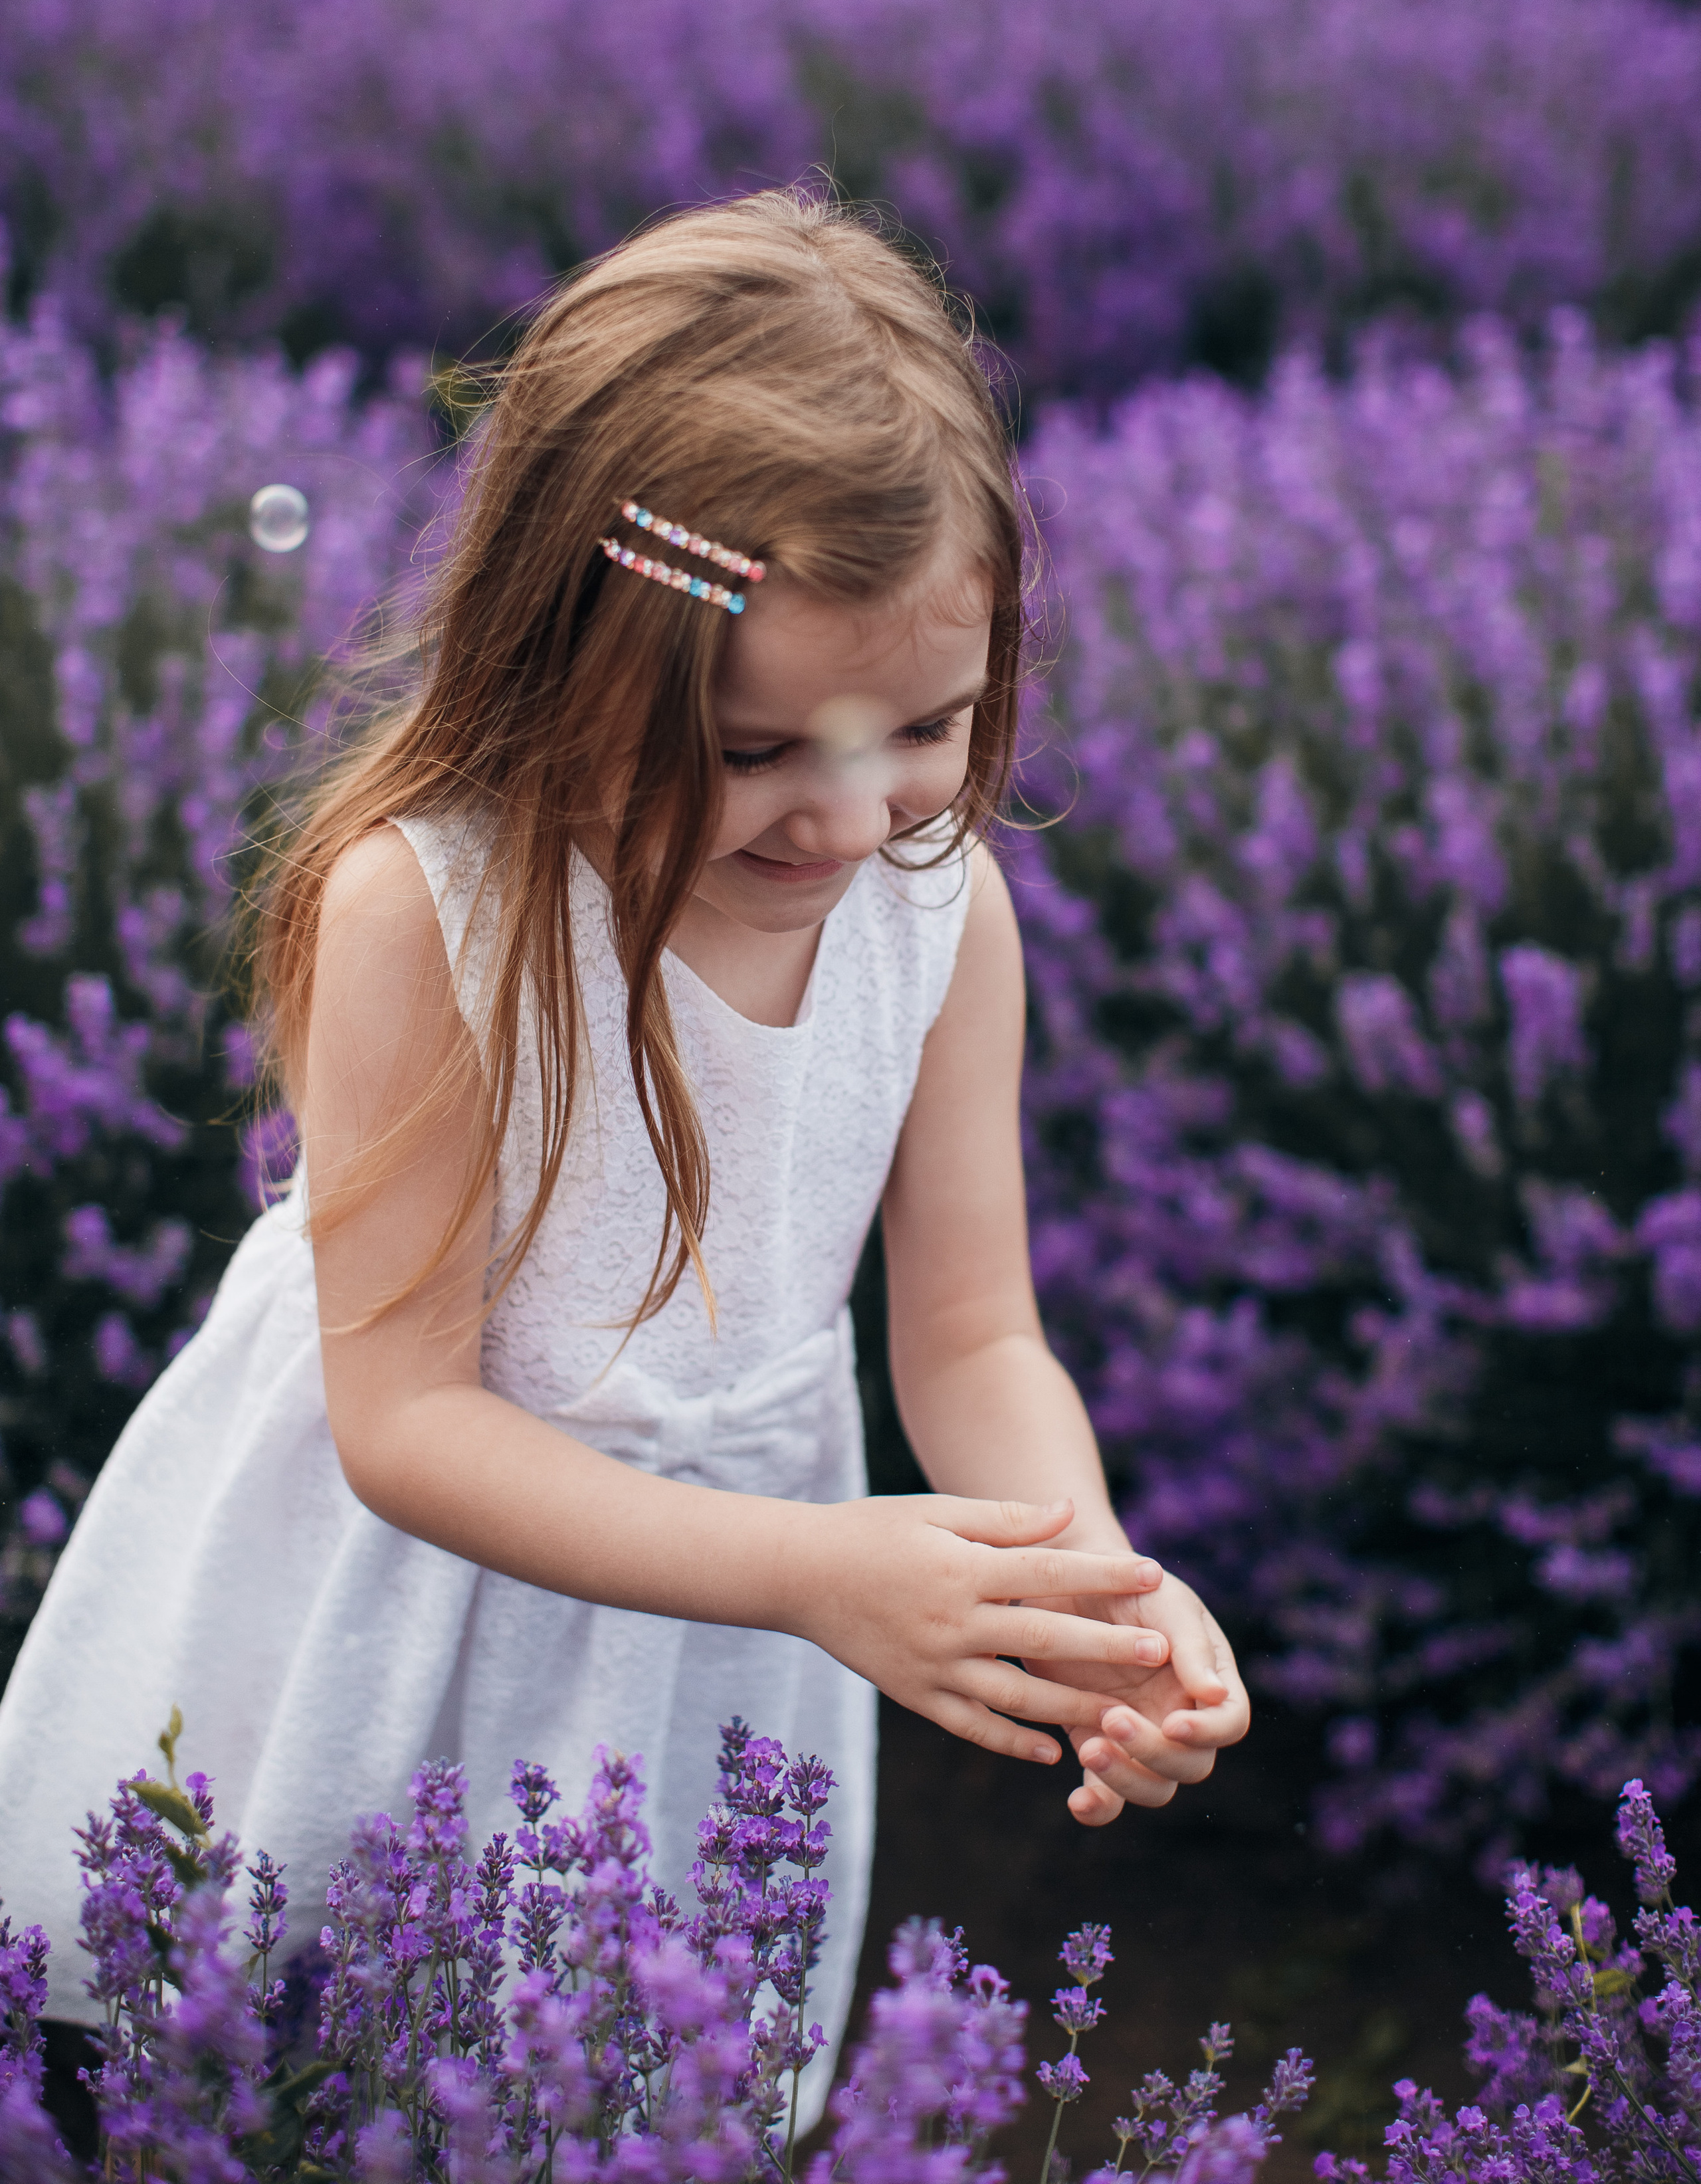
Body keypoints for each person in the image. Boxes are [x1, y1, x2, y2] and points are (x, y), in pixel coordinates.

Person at [0, 189, 1248, 2118]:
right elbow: (406, 1423)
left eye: (927, 722)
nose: (854, 816)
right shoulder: (433, 912)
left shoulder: (942, 912)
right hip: (397, 1608)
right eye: (760, 750)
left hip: (722, 1648)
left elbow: (976, 1339)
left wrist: (1083, 1589)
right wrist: (813, 1576)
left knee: (615, 2102)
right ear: (565, 658)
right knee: (285, 2075)